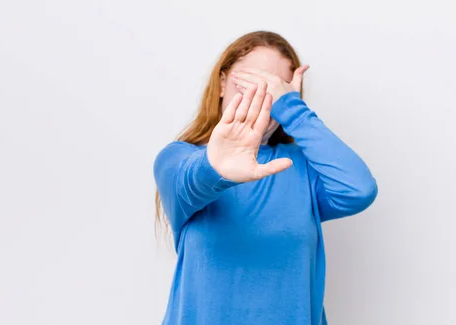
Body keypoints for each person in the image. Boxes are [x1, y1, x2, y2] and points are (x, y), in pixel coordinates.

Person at [153, 30, 378, 325]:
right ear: (222, 84)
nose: (260, 98)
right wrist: (217, 165)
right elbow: (189, 183)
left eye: (274, 90)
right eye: (249, 83)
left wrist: (293, 110)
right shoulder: (179, 157)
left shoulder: (302, 166)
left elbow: (358, 189)